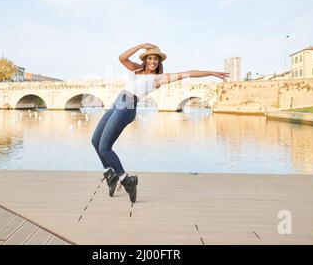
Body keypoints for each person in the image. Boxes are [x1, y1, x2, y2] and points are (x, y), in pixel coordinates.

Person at [91, 43, 229, 203]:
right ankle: (110, 174)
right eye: (149, 58)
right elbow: (122, 58)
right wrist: (141, 46)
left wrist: (210, 72)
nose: (152, 61)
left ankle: (126, 179)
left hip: (126, 108)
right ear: (145, 59)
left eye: (156, 59)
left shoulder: (158, 78)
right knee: (95, 141)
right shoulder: (136, 69)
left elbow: (187, 74)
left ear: (159, 62)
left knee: (104, 148)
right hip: (117, 104)